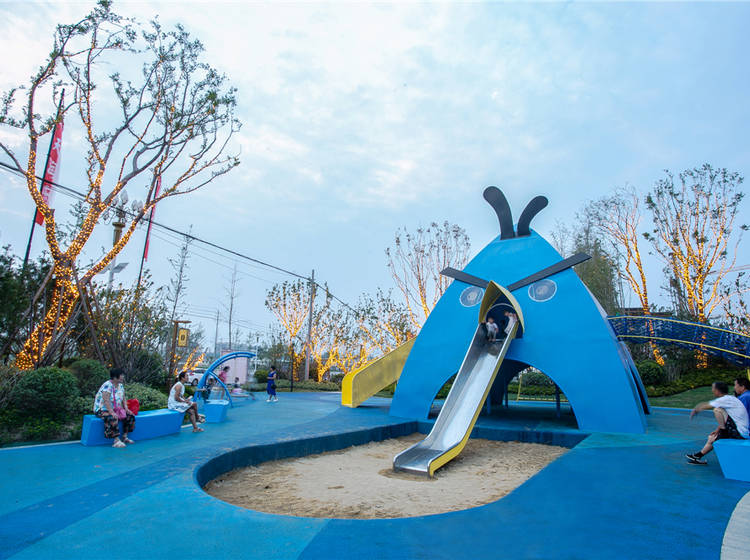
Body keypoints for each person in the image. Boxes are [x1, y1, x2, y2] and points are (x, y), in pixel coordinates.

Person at [686, 381, 749, 465]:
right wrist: (718, 429)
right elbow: (731, 417)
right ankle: (697, 456)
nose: (712, 390)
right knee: (712, 437)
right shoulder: (730, 398)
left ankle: (723, 431)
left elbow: (706, 406)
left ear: (717, 390)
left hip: (739, 432)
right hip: (741, 430)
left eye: (713, 388)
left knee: (717, 410)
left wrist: (695, 410)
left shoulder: (725, 399)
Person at [93, 368, 136, 448]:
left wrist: (126, 409)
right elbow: (106, 400)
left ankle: (124, 437)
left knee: (130, 416)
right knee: (112, 418)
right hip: (102, 410)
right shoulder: (107, 385)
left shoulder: (120, 385)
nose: (123, 377)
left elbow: (123, 398)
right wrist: (111, 412)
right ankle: (116, 440)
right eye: (121, 375)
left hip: (116, 409)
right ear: (115, 377)